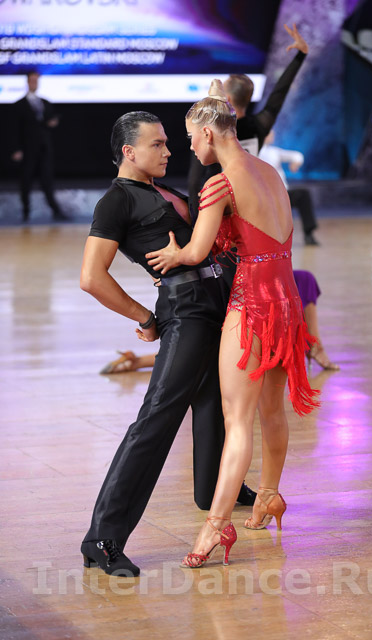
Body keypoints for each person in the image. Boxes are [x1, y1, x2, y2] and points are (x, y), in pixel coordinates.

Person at [146, 80, 320, 568]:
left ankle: (216, 525)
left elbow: (197, 251)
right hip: (287, 303)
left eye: (190, 137)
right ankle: (268, 496)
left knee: (237, 420)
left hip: (251, 305)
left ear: (207, 132)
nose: (189, 147)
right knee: (271, 413)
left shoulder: (220, 184)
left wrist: (174, 254)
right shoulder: (269, 172)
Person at [79, 111, 253, 578]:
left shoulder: (165, 190)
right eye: (157, 144)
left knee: (215, 403)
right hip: (186, 310)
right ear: (129, 152)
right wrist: (144, 317)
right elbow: (91, 277)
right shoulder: (116, 201)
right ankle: (102, 539)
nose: (168, 151)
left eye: (168, 142)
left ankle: (215, 491)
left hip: (219, 302)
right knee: (156, 420)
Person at [187, 24, 319, 246]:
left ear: (227, 99)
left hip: (221, 205)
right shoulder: (259, 125)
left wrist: (194, 227)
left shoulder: (214, 129)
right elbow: (279, 93)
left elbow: (194, 181)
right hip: (250, 203)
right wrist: (300, 56)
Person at [100, 270, 339, 373]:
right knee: (213, 348)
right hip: (229, 278)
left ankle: (312, 345)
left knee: (303, 279)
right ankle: (139, 361)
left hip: (247, 272)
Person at [11, 71, 67, 222]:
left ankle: (55, 211)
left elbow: (49, 120)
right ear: (27, 82)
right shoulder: (19, 105)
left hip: (44, 148)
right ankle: (26, 212)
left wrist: (52, 122)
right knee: (26, 181)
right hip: (27, 148)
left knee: (47, 180)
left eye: (36, 80)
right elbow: (14, 128)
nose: (34, 83)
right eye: (32, 80)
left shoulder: (45, 103)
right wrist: (16, 149)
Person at [259, 130, 320, 245]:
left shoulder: (274, 152)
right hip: (266, 196)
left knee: (303, 195)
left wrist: (296, 163)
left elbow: (297, 156)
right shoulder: (255, 153)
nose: (272, 135)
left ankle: (309, 234)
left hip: (283, 194)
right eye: (269, 132)